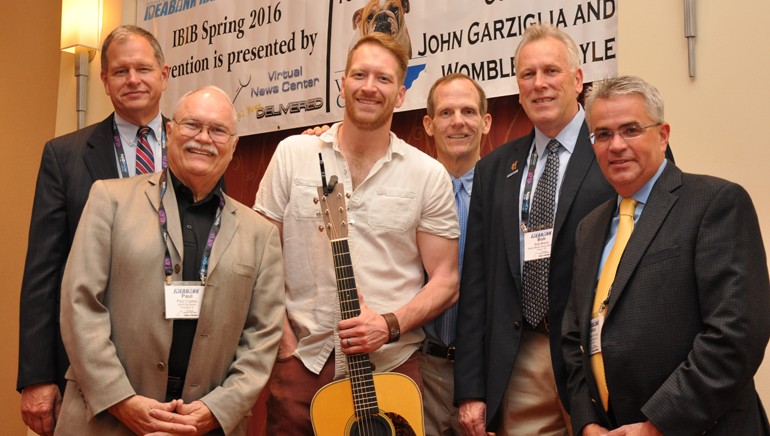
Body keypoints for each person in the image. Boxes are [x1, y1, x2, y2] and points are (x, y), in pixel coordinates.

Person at [254, 33, 460, 434]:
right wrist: (285, 347)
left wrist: (389, 324)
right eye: (359, 75)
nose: (369, 87)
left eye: (383, 79)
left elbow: (446, 281)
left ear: (401, 95)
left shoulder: (427, 174)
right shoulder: (294, 155)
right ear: (342, 84)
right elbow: (258, 262)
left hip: (391, 369)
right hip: (303, 364)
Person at [55, 86, 285, 435]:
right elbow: (80, 305)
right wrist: (121, 400)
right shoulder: (109, 200)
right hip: (105, 420)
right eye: (192, 125)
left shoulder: (261, 234)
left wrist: (216, 410)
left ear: (233, 144)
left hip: (204, 426)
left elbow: (263, 336)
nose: (203, 138)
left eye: (218, 130)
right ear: (170, 131)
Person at [562, 75, 770, 435]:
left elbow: (735, 335)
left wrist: (656, 425)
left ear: (662, 134)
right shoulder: (590, 227)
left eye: (630, 130)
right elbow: (573, 338)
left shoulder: (714, 203)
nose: (616, 146)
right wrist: (587, 422)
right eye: (603, 134)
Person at [454, 23, 617, 436]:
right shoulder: (494, 169)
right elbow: (476, 283)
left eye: (551, 71)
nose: (539, 84)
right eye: (528, 74)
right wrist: (471, 387)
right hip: (522, 358)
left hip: (602, 357)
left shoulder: (616, 148)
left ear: (578, 79)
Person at [18, 25, 169, 435]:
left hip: (177, 360)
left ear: (164, 74)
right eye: (120, 71)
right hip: (88, 361)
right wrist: (36, 377)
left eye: (143, 68)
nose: (133, 79)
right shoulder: (64, 156)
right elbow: (43, 273)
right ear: (104, 81)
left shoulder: (197, 145)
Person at [419, 73, 491, 435]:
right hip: (423, 369)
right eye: (446, 113)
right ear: (429, 125)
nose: (458, 121)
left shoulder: (507, 193)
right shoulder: (410, 189)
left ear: (486, 122)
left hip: (487, 372)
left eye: (468, 111)